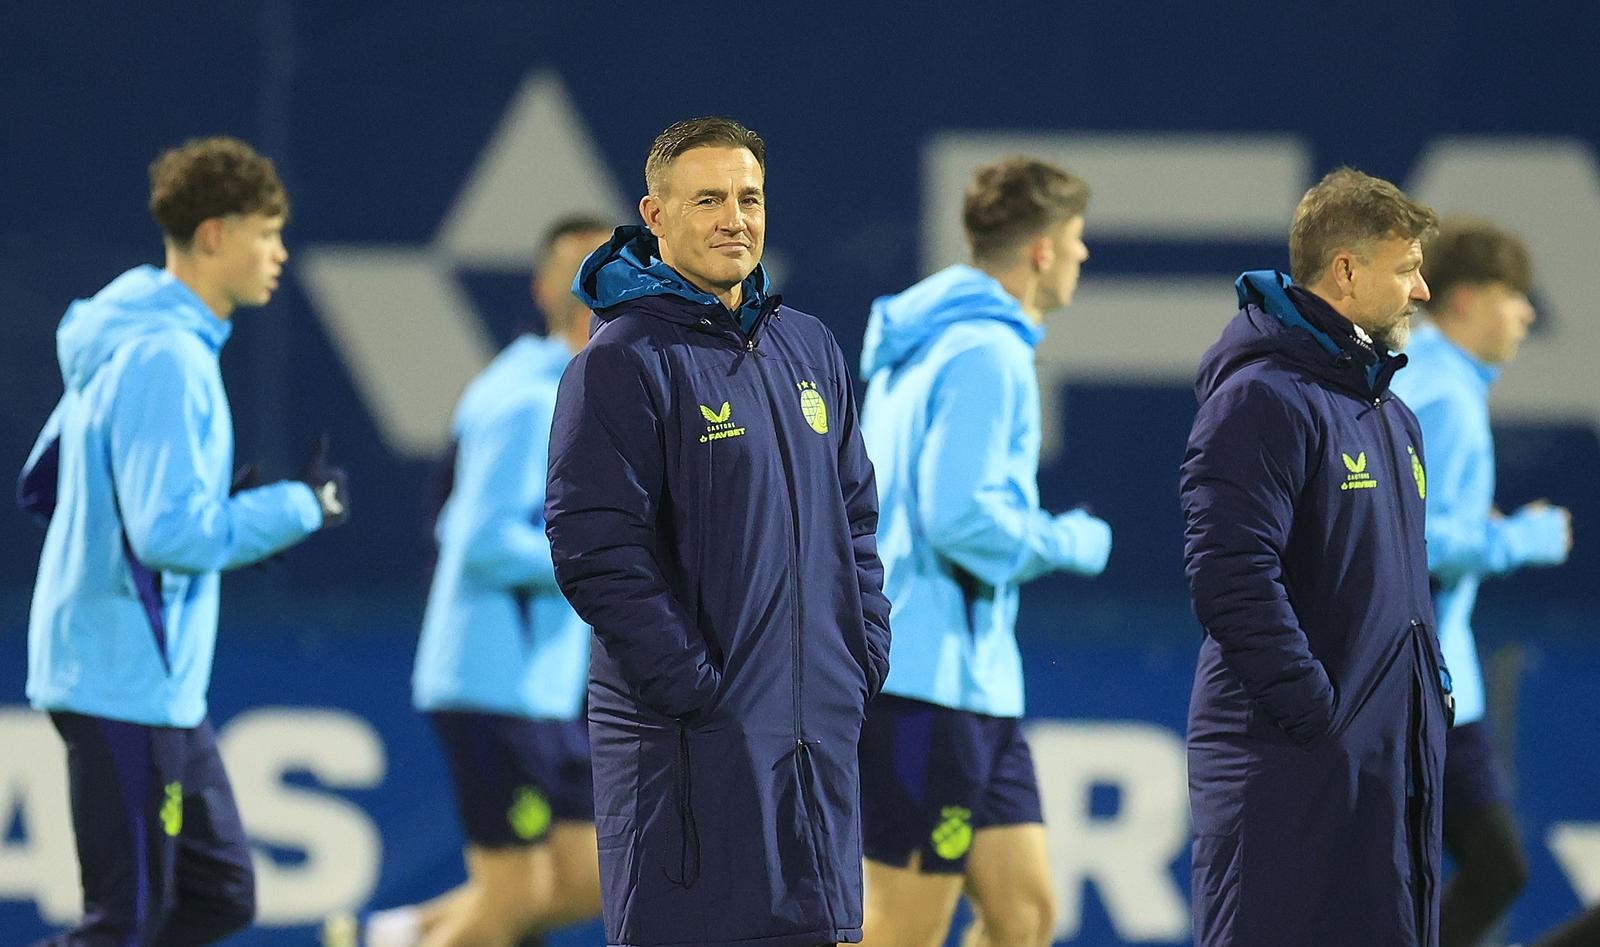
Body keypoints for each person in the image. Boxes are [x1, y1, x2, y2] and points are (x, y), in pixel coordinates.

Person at [544, 116, 892, 947]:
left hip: (812, 740)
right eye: (708, 199)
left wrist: (859, 649)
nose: (735, 217)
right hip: (689, 751)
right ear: (655, 214)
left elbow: (856, 514)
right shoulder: (620, 362)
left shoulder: (806, 345)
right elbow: (594, 547)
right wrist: (698, 686)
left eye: (749, 197)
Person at [16, 136, 349, 947]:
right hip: (122, 679)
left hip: (145, 680)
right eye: (266, 233)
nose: (278, 253)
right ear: (214, 234)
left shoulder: (131, 335)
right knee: (121, 925)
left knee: (220, 893)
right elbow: (170, 533)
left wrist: (190, 505)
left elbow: (45, 484)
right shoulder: (166, 355)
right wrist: (296, 506)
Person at [1180, 167, 1447, 947]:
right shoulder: (1259, 399)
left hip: (1382, 768)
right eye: (1406, 269)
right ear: (1347, 271)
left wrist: (1421, 699)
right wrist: (1316, 716)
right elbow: (1229, 573)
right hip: (1289, 767)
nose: (1422, 290)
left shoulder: (1391, 417)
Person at [854, 157, 1112, 947]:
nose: (1083, 255)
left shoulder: (926, 341)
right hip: (928, 684)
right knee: (901, 927)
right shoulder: (986, 353)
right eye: (1075, 239)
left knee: (1024, 913)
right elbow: (961, 516)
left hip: (969, 685)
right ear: (1040, 250)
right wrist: (1070, 538)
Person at [335, 217, 612, 947]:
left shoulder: (579, 387)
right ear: (555, 290)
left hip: (543, 690)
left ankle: (398, 934)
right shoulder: (525, 400)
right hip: (496, 685)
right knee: (517, 896)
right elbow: (479, 537)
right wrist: (602, 557)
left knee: (588, 876)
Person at [1389, 218, 1593, 947]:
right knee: (1490, 868)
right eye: (1516, 296)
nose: (1528, 314)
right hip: (1422, 681)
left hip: (1438, 679)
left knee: (1489, 868)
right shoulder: (1446, 397)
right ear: (1469, 300)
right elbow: (1418, 545)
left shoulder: (1435, 381)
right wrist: (1519, 540)